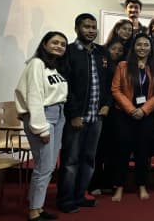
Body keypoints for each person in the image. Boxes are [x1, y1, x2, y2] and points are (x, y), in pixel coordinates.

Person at [57, 14, 110, 213]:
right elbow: (65, 86)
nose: (90, 30)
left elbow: (107, 81)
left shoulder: (101, 52)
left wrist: (107, 104)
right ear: (77, 28)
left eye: (93, 27)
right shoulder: (69, 52)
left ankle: (80, 195)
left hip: (96, 117)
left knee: (89, 158)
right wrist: (73, 114)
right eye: (86, 26)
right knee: (70, 160)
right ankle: (65, 199)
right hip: (77, 117)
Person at [15, 31, 70, 221]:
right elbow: (34, 96)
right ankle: (34, 211)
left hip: (59, 115)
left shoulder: (54, 68)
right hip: (44, 117)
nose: (59, 46)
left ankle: (37, 206)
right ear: (44, 44)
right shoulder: (36, 64)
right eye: (55, 42)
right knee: (44, 166)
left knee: (47, 165)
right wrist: (40, 127)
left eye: (63, 44)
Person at [111, 33, 154, 201]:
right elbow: (116, 89)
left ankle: (142, 185)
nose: (142, 48)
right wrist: (131, 109)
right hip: (124, 115)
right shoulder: (123, 65)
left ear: (150, 48)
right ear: (134, 47)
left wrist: (144, 110)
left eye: (146, 45)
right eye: (139, 44)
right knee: (122, 151)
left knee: (143, 151)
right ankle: (119, 186)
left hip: (145, 116)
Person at [88, 39, 124, 196]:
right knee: (97, 150)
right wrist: (106, 104)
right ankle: (94, 182)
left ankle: (108, 182)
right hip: (101, 109)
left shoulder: (122, 67)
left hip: (117, 113)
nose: (116, 52)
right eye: (113, 48)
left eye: (120, 50)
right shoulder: (101, 65)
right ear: (107, 49)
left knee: (112, 150)